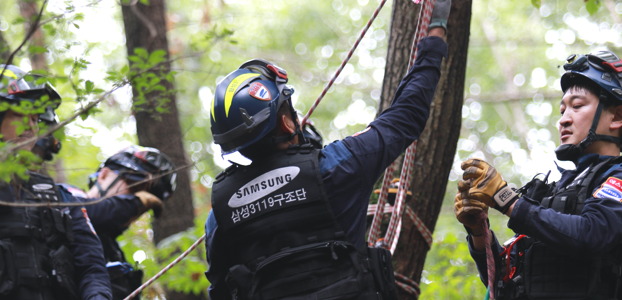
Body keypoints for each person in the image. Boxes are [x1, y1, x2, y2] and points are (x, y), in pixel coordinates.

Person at [203, 0, 451, 298]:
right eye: (290, 109)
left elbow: (220, 289)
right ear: (285, 122)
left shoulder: (221, 216)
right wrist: (436, 29)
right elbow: (406, 115)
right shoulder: (336, 167)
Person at [455, 50, 622, 299]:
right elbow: (504, 282)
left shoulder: (616, 177)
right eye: (562, 110)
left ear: (617, 117)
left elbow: (591, 234)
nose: (564, 120)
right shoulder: (556, 190)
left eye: (577, 106)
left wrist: (505, 199)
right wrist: (480, 233)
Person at [0, 64, 112, 300]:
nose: (31, 126)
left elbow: (91, 267)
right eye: (20, 115)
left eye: (35, 118)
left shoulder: (60, 198)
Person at [61, 145, 177, 300]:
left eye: (144, 199)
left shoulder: (114, 253)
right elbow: (86, 214)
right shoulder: (63, 197)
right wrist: (139, 201)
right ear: (103, 175)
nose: (139, 206)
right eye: (133, 187)